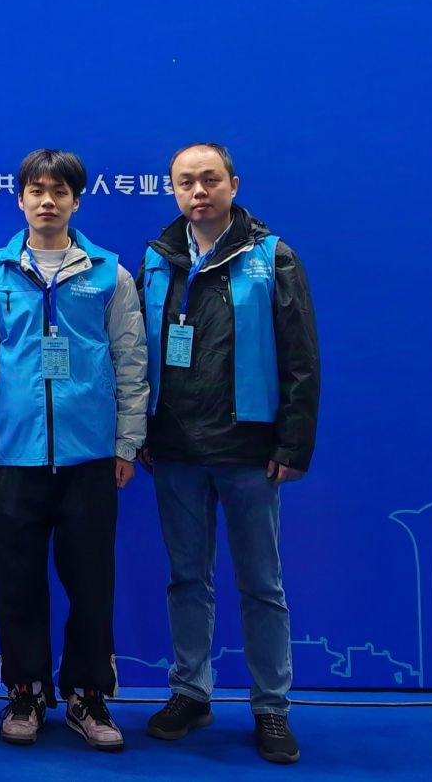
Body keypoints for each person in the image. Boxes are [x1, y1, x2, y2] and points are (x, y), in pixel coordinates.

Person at [138, 142, 320, 766]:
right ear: (173, 190)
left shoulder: (272, 256)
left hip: (249, 449)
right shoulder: (157, 259)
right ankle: (191, 692)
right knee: (188, 578)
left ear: (233, 185)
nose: (199, 191)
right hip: (175, 448)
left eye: (210, 179)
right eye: (186, 181)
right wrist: (140, 432)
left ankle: (271, 706)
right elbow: (136, 354)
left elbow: (301, 359)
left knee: (261, 584)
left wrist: (293, 443)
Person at [0, 149, 147, 751]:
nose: (47, 201)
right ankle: (25, 689)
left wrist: (126, 442)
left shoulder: (110, 275)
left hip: (89, 456)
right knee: (18, 580)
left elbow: (130, 361)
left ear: (76, 200)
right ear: (19, 198)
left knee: (91, 582)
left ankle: (87, 694)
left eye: (60, 191)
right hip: (17, 455)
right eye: (36, 190)